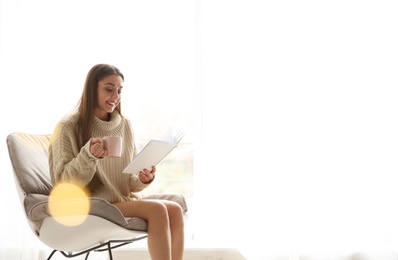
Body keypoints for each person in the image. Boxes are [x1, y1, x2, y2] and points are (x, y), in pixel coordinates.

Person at [49, 63, 184, 260]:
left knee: (176, 209)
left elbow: (129, 183)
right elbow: (63, 183)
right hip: (92, 203)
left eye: (119, 91)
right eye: (109, 89)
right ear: (91, 89)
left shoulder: (125, 125)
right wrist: (89, 155)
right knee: (157, 209)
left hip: (121, 201)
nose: (115, 96)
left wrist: (143, 178)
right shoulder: (68, 127)